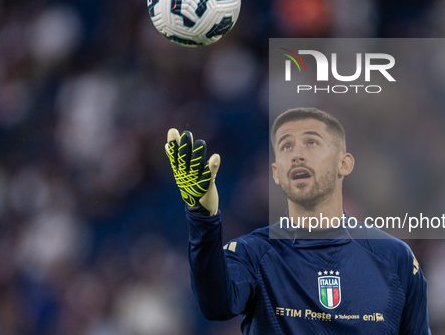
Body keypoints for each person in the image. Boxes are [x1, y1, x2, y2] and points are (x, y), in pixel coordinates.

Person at [165, 107, 431, 334]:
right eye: (286, 146)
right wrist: (203, 219)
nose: (297, 155)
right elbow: (216, 305)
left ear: (344, 164)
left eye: (312, 143)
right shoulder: (253, 253)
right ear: (276, 173)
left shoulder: (396, 259)